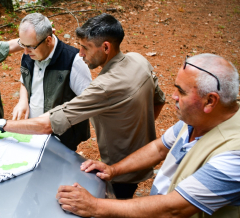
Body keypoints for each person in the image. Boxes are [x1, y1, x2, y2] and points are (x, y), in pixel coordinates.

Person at [0, 13, 166, 199]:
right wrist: (137, 129)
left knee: (116, 206)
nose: (81, 53)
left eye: (86, 48)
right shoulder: (138, 60)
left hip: (120, 169)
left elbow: (48, 123)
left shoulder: (103, 86)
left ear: (106, 47)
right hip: (140, 157)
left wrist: (1, 125)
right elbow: (159, 100)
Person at [56, 53, 240, 218]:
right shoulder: (197, 119)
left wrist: (95, 206)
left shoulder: (234, 154)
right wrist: (114, 170)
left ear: (210, 101)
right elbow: (158, 148)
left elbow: (174, 209)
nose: (174, 96)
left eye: (181, 91)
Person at [12, 13, 92, 151]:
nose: (25, 51)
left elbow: (88, 102)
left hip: (61, 140)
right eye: (22, 44)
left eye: (30, 46)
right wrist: (23, 100)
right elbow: (25, 81)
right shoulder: (28, 54)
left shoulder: (73, 60)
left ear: (48, 40)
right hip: (33, 134)